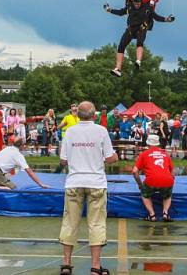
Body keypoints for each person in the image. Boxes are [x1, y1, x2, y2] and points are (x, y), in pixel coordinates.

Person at [58, 101, 117, 275]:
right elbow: (110, 158)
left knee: (69, 222)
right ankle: (95, 267)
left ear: (77, 114)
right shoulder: (101, 131)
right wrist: (115, 156)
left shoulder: (70, 131)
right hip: (96, 182)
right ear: (94, 115)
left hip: (75, 181)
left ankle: (66, 263)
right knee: (97, 224)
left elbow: (63, 160)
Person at [0, 136, 49, 209]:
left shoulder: (7, 148)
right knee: (13, 188)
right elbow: (29, 172)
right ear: (22, 145)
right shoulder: (18, 155)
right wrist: (41, 184)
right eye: (25, 145)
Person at [104, 0, 174, 77]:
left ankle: (138, 61)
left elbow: (156, 17)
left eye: (138, 3)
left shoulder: (147, 8)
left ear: (141, 2)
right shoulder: (130, 7)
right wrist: (109, 10)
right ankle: (118, 69)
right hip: (130, 29)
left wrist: (167, 19)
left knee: (139, 43)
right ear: (133, 2)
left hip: (141, 28)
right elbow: (120, 12)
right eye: (135, 3)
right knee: (121, 46)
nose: (136, 5)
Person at [132, 134, 174, 221]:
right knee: (167, 196)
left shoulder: (144, 154)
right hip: (167, 180)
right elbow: (172, 173)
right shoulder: (165, 154)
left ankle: (152, 215)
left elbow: (135, 171)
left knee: (145, 194)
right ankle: (165, 213)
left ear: (147, 144)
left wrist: (140, 184)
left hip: (151, 181)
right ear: (158, 144)